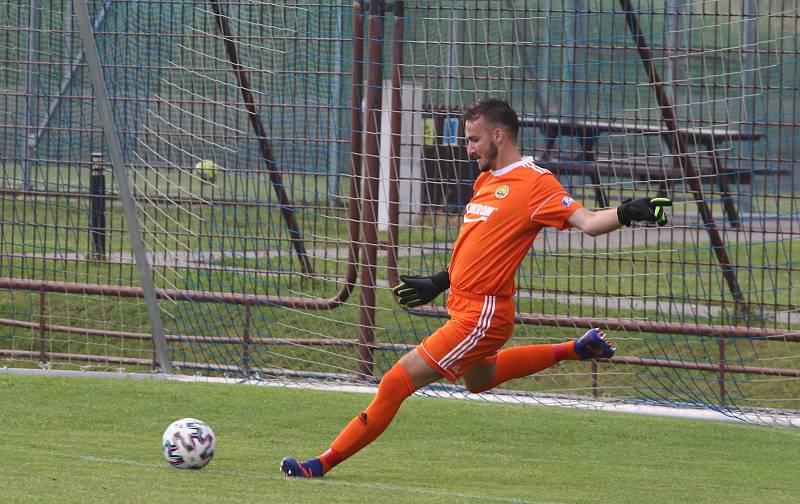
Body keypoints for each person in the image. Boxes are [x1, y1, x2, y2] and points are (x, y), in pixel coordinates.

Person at [280, 97, 671, 478]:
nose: (468, 149)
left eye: (473, 140)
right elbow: (481, 246)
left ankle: (321, 464)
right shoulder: (486, 179)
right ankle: (577, 347)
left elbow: (586, 221)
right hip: (465, 304)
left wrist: (625, 212)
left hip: (481, 315)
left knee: (395, 382)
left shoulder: (536, 184)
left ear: (498, 136)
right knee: (478, 381)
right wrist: (439, 281)